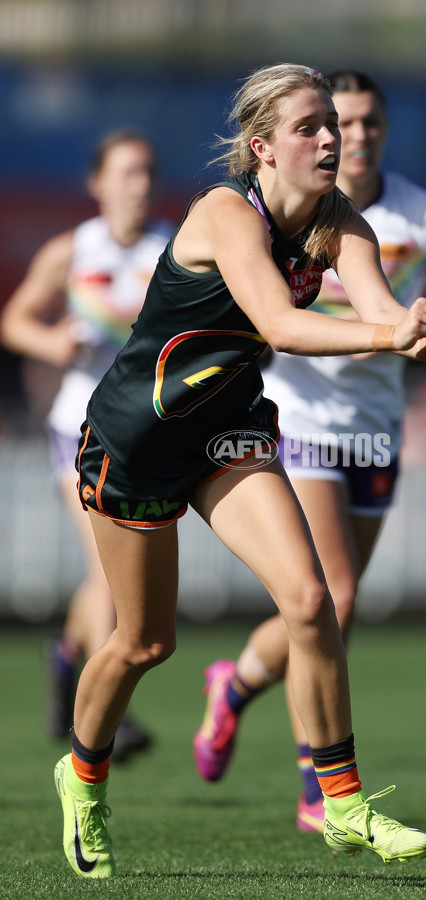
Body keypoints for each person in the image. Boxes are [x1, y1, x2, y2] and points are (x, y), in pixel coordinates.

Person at [50, 63, 426, 879]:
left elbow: (379, 311)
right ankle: (82, 780)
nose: (334, 139)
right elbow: (282, 326)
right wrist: (387, 335)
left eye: (336, 123)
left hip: (226, 431)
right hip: (138, 438)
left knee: (312, 598)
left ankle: (343, 803)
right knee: (144, 643)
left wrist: (419, 330)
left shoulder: (340, 222)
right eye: (311, 126)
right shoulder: (223, 212)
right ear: (261, 148)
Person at [193, 70, 426, 833]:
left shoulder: (425, 214)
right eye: (338, 121)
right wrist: (388, 327)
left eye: (365, 122)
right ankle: (320, 789)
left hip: (377, 427)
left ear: (383, 130)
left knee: (336, 609)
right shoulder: (284, 217)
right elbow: (282, 318)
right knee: (332, 595)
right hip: (297, 418)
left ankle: (235, 684)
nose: (351, 136)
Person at [0, 129, 173, 761]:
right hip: (78, 428)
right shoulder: (72, 250)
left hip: (146, 433)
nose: (139, 184)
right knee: (109, 570)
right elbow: (14, 320)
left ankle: (67, 656)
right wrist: (51, 344)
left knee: (109, 574)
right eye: (126, 172)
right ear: (97, 183)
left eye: (148, 171)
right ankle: (108, 718)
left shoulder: (175, 251)